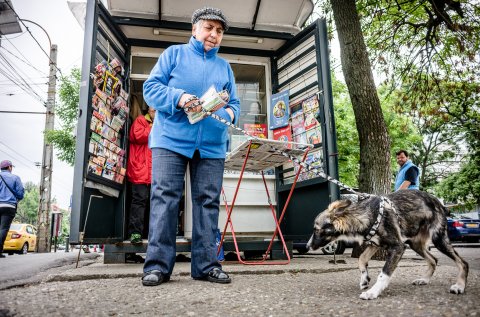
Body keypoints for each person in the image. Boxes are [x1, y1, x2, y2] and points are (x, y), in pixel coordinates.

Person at [141, 7, 240, 286]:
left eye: (219, 31)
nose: (214, 34)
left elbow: (234, 103)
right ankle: (158, 266)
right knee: (165, 199)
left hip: (211, 144)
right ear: (194, 29)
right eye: (209, 27)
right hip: (170, 140)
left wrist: (229, 114)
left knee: (208, 203)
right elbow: (151, 88)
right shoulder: (173, 54)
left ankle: (207, 265)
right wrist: (180, 97)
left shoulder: (225, 67)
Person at [125, 107, 155, 263]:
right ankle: (135, 233)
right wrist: (155, 126)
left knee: (154, 204)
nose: (155, 110)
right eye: (153, 108)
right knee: (139, 202)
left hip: (154, 172)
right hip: (140, 170)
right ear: (148, 109)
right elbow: (137, 136)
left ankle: (151, 234)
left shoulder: (156, 122)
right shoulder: (140, 121)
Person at [0, 160, 24, 258]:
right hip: (9, 206)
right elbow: (20, 194)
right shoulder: (15, 178)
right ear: (9, 167)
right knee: (3, 228)